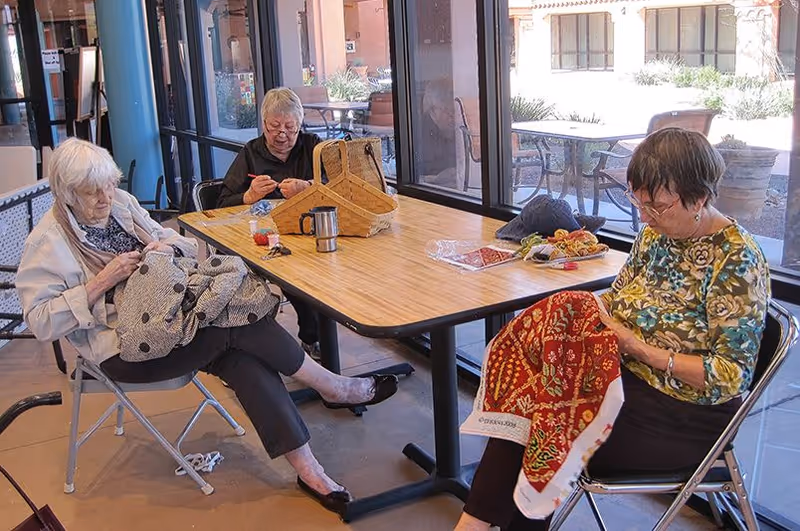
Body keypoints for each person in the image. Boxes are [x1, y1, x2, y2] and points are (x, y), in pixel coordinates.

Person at [16, 138, 398, 514]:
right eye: (91, 192)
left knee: (238, 351)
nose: (105, 198)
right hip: (123, 348)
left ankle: (309, 470)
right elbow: (40, 321)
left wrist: (163, 248)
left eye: (110, 185)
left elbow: (172, 239)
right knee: (235, 324)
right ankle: (334, 387)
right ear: (66, 193)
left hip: (175, 318)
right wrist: (101, 281)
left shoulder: (120, 204)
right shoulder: (48, 242)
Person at [454, 128, 770, 531]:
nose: (645, 216)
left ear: (700, 196)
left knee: (545, 417)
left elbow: (731, 375)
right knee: (542, 394)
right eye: (638, 202)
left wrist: (639, 349)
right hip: (622, 381)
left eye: (657, 205)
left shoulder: (737, 261)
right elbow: (616, 303)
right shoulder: (656, 236)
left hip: (684, 415)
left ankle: (471, 526)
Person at [217, 87, 323, 360]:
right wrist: (249, 195)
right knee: (295, 275)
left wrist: (308, 187)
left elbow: (338, 188)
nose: (282, 135)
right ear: (263, 124)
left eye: (291, 127)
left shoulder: (313, 146)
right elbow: (220, 205)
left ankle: (317, 338)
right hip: (263, 241)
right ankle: (311, 339)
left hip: (311, 233)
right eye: (274, 126)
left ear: (300, 125)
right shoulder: (251, 153)